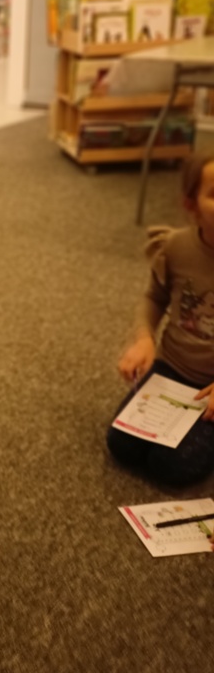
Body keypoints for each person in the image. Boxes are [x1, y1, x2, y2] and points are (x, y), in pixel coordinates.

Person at [107, 152, 214, 485]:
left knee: (173, 466)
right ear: (191, 205)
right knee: (122, 445)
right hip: (173, 368)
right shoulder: (177, 247)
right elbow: (154, 297)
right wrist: (144, 339)